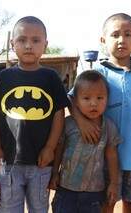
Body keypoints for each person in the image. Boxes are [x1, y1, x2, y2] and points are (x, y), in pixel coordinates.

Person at [71, 13, 131, 212]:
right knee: (106, 201)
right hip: (104, 154)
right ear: (103, 40)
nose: (121, 40)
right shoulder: (98, 74)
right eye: (115, 35)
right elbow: (72, 100)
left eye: (128, 34)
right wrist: (83, 123)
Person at [0, 16, 69, 213]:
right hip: (9, 159)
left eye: (35, 40)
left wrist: (50, 147)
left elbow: (59, 113)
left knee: (38, 208)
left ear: (45, 44)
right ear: (12, 43)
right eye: (22, 40)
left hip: (41, 162)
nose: (28, 46)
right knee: (9, 208)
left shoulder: (50, 77)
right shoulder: (4, 76)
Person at [49, 70, 120, 213]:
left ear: (107, 99)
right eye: (86, 98)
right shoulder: (68, 124)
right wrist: (55, 173)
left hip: (94, 193)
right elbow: (59, 148)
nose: (93, 103)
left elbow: (111, 155)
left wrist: (113, 183)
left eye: (100, 98)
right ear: (75, 101)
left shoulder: (109, 127)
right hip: (66, 189)